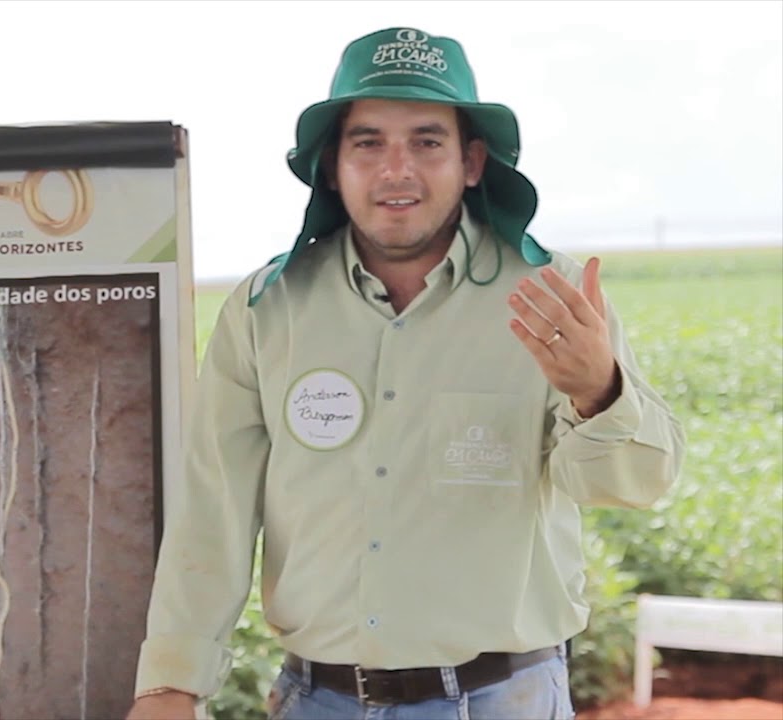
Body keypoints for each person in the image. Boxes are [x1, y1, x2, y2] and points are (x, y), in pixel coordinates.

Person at [126, 27, 685, 720]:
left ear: (472, 162)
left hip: (503, 700)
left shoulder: (554, 296)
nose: (398, 169)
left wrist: (597, 389)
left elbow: (632, 484)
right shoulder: (269, 309)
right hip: (316, 701)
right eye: (368, 143)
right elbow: (214, 509)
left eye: (427, 141)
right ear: (332, 165)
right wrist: (170, 686)